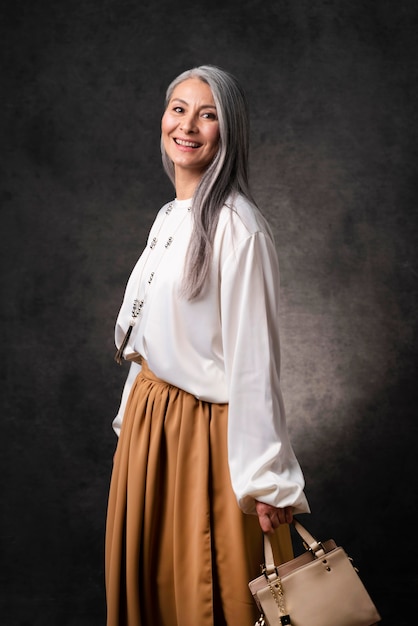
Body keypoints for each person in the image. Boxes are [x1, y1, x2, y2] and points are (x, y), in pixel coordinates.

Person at [105, 65, 310, 626]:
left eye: (208, 113)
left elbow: (252, 364)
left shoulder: (239, 228)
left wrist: (268, 481)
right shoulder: (170, 216)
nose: (188, 125)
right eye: (178, 108)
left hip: (203, 440)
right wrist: (131, 424)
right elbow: (149, 336)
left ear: (230, 131)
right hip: (153, 429)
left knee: (205, 596)